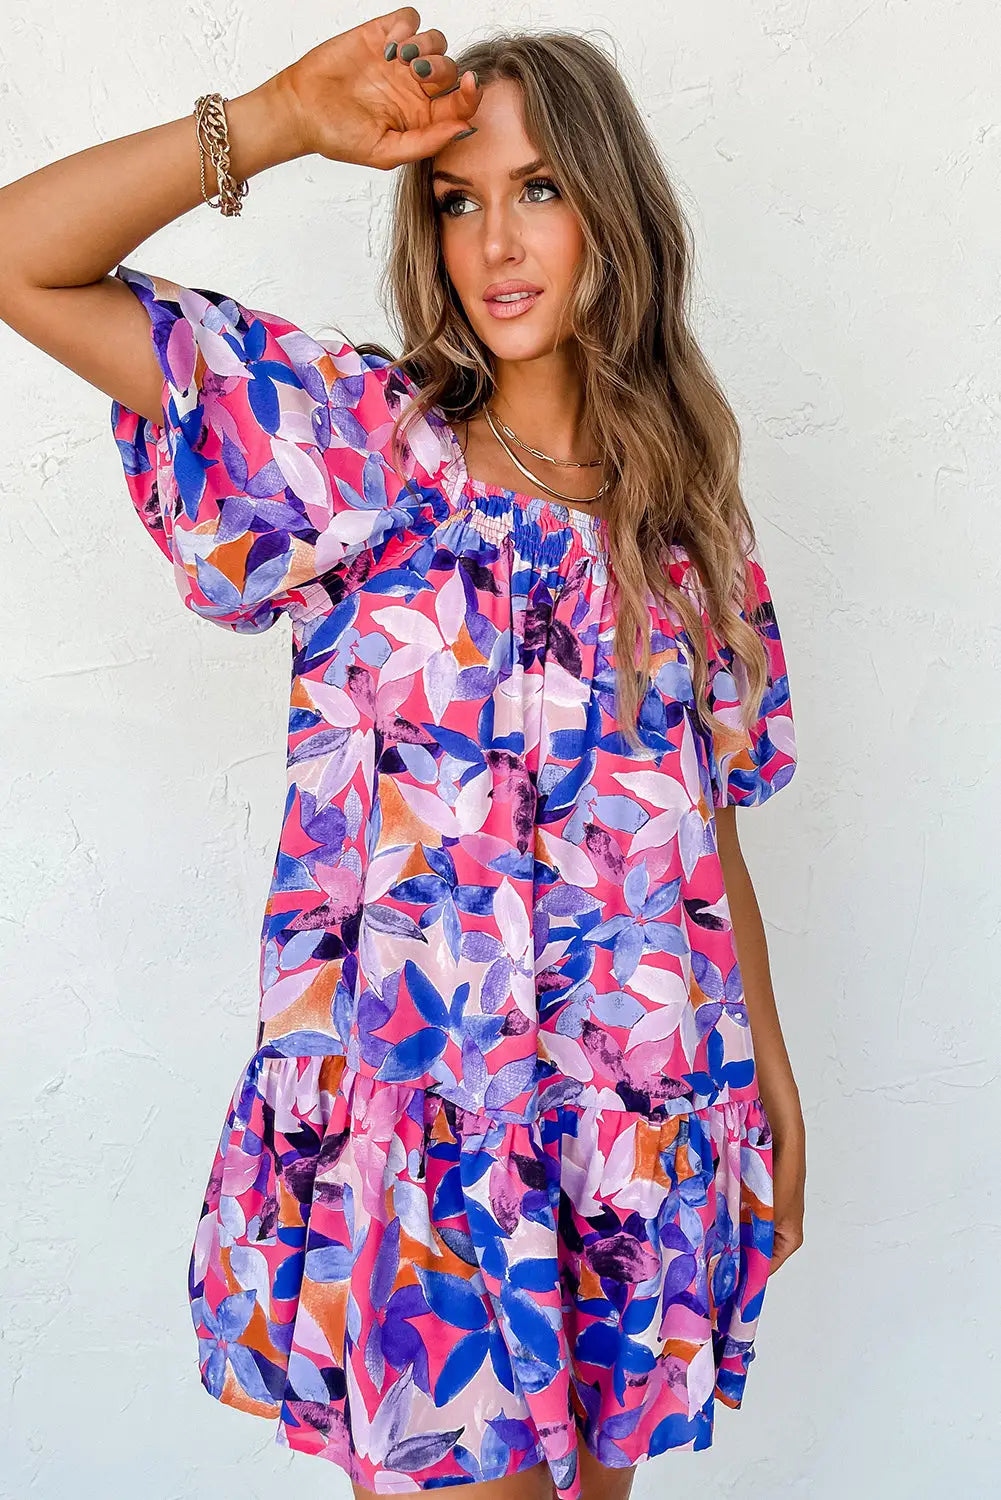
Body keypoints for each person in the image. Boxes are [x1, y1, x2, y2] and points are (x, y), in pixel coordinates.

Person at [0, 8, 806, 1498]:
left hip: (633, 1126)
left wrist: (771, 1085)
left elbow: (713, 836)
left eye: (538, 189)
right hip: (433, 1145)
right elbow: (19, 255)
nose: (495, 242)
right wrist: (276, 119)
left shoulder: (685, 520)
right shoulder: (360, 448)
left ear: (612, 211)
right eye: (456, 200)